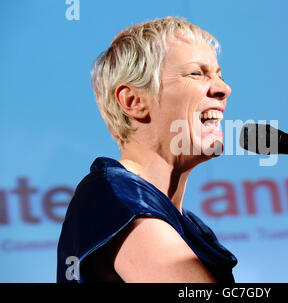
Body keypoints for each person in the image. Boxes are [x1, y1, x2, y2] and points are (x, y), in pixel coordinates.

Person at [57, 16, 237, 283]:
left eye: (219, 75)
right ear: (133, 101)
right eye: (196, 73)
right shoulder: (115, 197)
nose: (224, 89)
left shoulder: (191, 226)